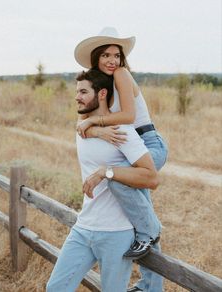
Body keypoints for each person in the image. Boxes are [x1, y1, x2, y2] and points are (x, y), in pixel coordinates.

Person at [46, 69, 160, 292]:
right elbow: (86, 126)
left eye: (83, 91)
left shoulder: (122, 131)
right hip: (83, 227)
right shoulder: (84, 127)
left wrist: (107, 171)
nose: (77, 97)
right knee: (55, 288)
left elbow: (152, 177)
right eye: (76, 91)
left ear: (102, 94)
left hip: (116, 233)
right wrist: (98, 131)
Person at [74, 27, 167, 291]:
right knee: (139, 204)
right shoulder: (99, 83)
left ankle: (151, 234)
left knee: (116, 178)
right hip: (126, 145)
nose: (113, 60)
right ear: (96, 58)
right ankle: (150, 285)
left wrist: (96, 121)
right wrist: (96, 128)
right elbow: (81, 125)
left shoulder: (122, 75)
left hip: (147, 142)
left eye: (117, 54)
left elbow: (127, 116)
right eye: (106, 55)